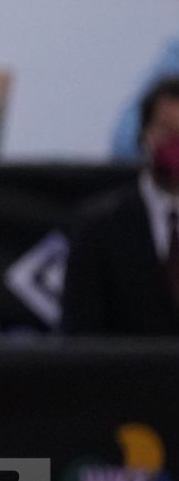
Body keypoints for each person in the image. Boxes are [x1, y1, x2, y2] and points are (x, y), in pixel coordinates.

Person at [63, 76, 179, 335]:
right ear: (144, 135)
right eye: (167, 131)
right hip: (127, 373)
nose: (176, 144)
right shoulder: (99, 225)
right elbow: (79, 334)